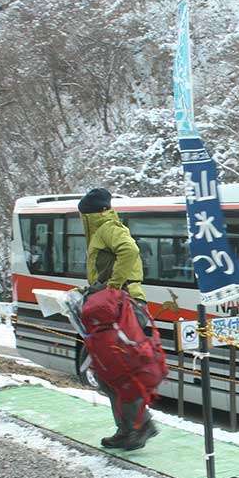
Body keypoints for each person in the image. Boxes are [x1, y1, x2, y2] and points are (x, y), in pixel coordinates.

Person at [78, 188, 157, 451]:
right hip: (117, 305)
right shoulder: (104, 229)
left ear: (94, 213)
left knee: (117, 372)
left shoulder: (108, 228)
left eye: (85, 214)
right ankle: (127, 429)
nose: (83, 218)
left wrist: (112, 286)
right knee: (107, 373)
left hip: (125, 306)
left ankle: (140, 426)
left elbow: (130, 251)